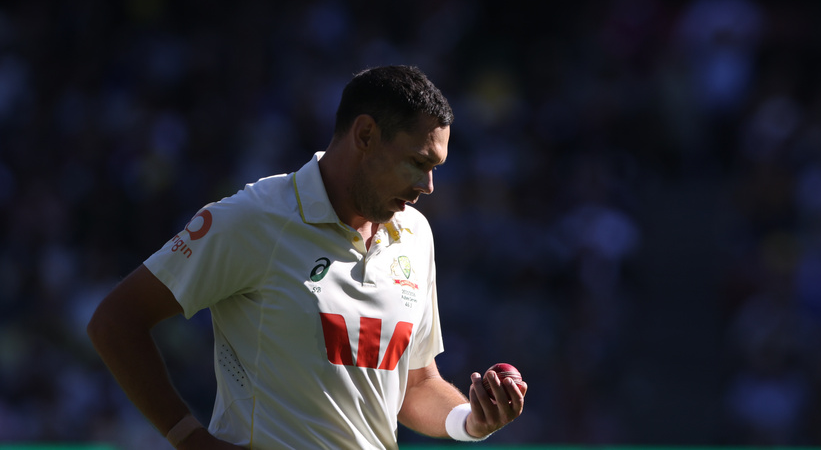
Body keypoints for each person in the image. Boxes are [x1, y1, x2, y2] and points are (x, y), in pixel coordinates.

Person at [88, 65, 528, 449]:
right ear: (365, 135)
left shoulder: (415, 234)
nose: (428, 186)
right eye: (417, 162)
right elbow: (116, 321)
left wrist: (471, 420)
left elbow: (415, 383)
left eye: (436, 167)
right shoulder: (252, 219)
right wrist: (189, 438)